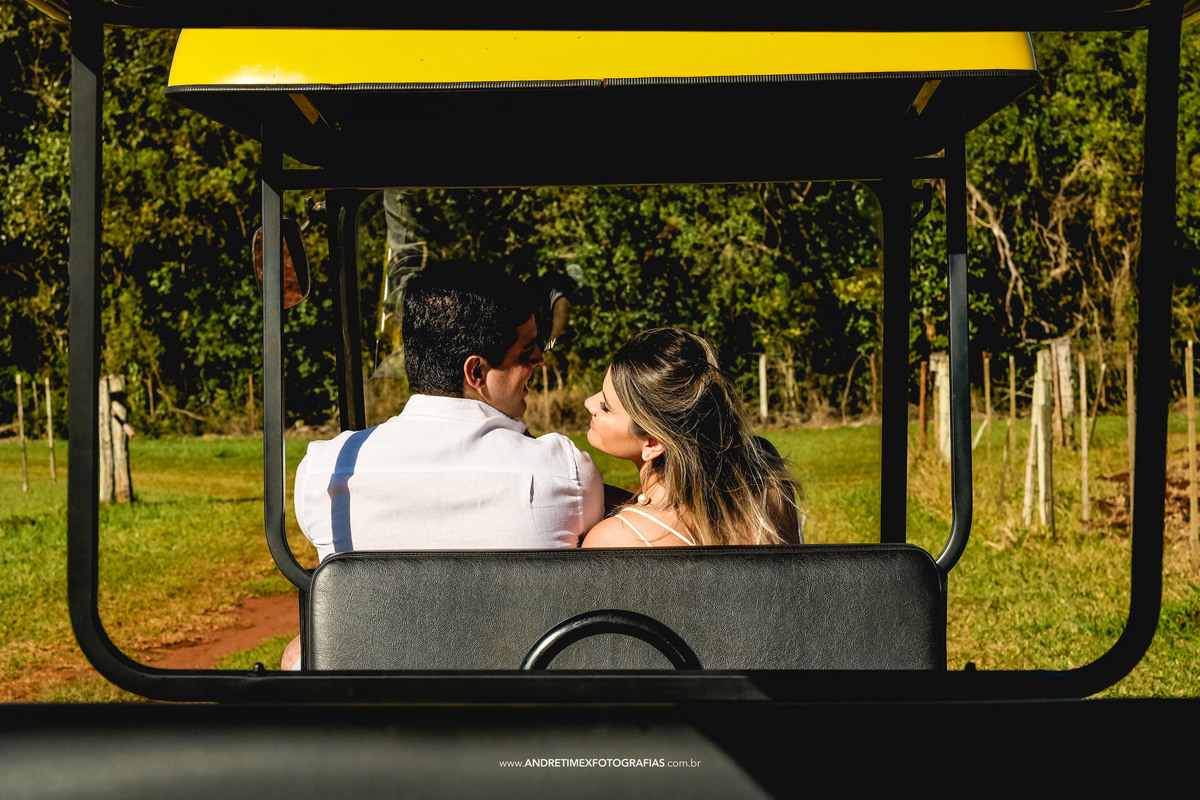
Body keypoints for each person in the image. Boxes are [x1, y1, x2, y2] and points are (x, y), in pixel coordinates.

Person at [283, 261, 604, 668]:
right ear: (476, 371)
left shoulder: (324, 470)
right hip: (518, 703)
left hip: (373, 705)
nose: (540, 359)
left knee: (297, 652)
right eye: (527, 351)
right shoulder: (565, 472)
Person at [581, 328, 803, 548]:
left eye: (605, 407)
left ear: (652, 442)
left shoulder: (616, 539)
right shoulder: (764, 471)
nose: (589, 403)